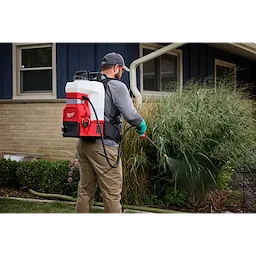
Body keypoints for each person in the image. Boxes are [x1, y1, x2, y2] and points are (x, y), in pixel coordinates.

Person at [75, 52, 147, 216]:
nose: (121, 73)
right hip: (105, 147)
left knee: (85, 191)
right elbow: (130, 115)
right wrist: (141, 124)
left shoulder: (91, 84)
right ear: (116, 68)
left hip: (84, 144)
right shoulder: (117, 86)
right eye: (121, 70)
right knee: (112, 194)